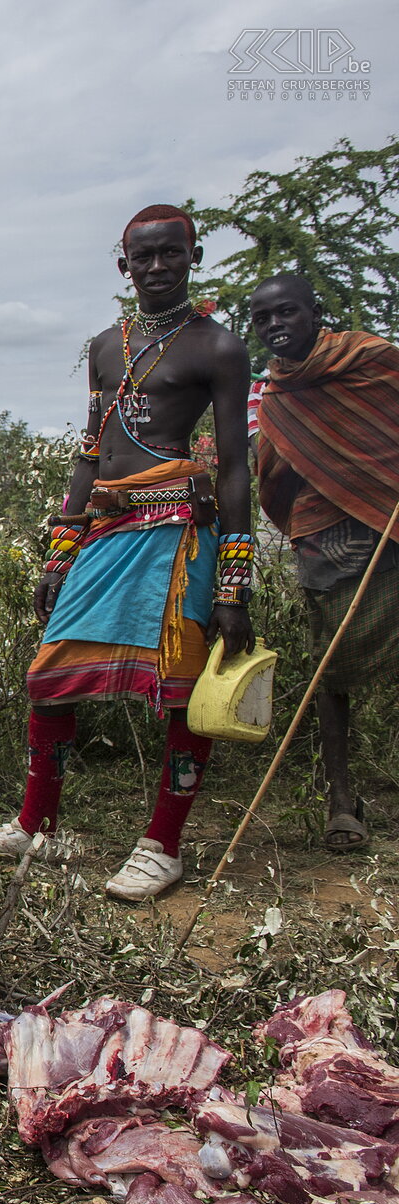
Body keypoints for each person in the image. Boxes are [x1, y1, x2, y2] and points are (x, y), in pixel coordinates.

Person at [0, 205, 255, 901]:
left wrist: (235, 580)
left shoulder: (218, 346)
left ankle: (163, 845)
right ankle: (40, 824)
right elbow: (90, 453)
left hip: (181, 528)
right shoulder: (104, 346)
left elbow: (236, 464)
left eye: (169, 254)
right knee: (48, 673)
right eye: (142, 257)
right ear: (123, 265)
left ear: (193, 255)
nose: (156, 267)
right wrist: (61, 548)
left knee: (181, 693)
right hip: (108, 526)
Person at [248, 272, 399, 850]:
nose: (275, 326)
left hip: (393, 526)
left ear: (315, 312)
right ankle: (342, 800)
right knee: (331, 667)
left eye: (285, 313)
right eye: (263, 319)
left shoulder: (373, 359)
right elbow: (274, 475)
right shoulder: (280, 397)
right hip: (326, 539)